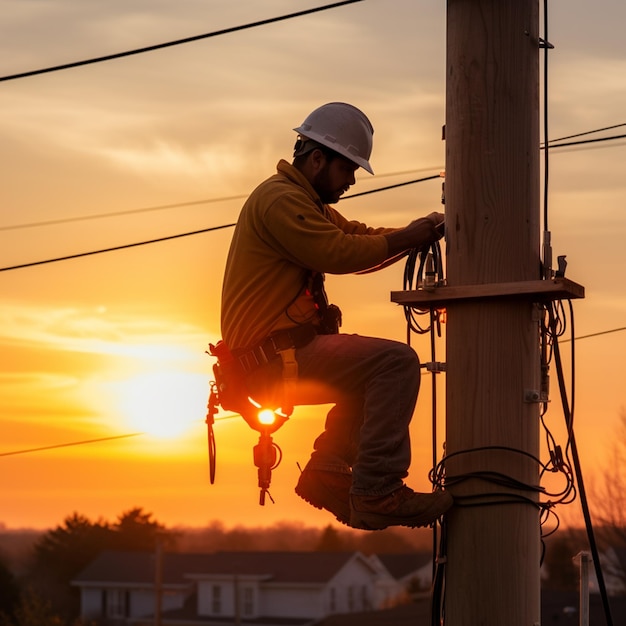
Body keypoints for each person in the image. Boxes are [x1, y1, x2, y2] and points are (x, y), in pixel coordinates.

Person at [220, 102, 452, 530]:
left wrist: (420, 231)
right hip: (273, 361)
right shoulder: (279, 200)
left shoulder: (305, 202)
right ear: (317, 159)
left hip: (285, 353)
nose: (349, 182)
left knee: (368, 369)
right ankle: (378, 490)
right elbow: (338, 252)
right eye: (347, 170)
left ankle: (327, 471)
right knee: (395, 363)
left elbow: (355, 236)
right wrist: (409, 236)